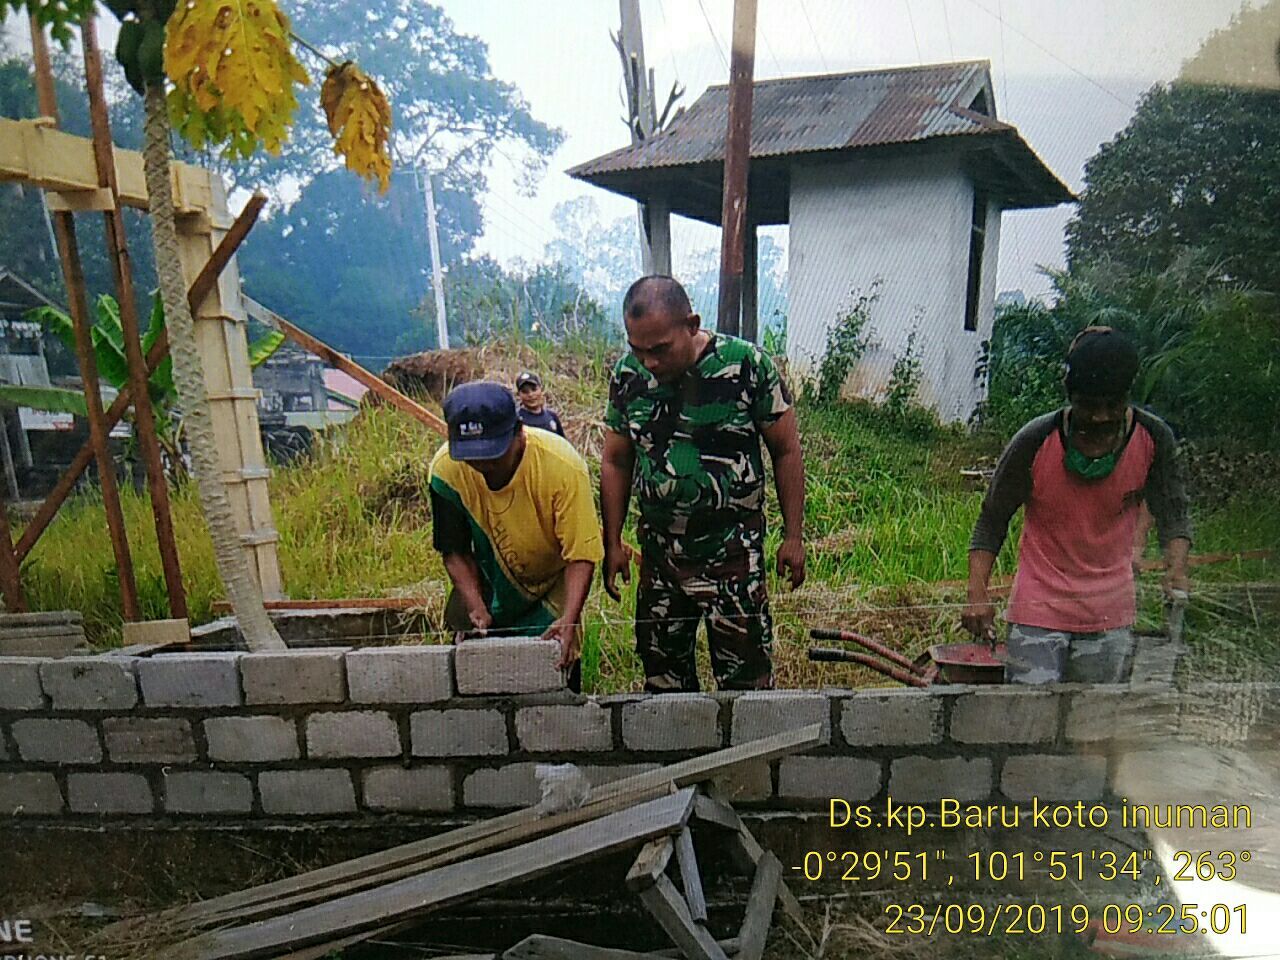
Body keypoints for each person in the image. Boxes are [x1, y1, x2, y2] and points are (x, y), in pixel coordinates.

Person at [600, 275, 806, 692]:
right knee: (664, 682)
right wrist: (612, 542)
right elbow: (616, 460)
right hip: (660, 556)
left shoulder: (746, 365)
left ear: (691, 325)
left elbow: (785, 450)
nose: (649, 363)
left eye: (659, 349)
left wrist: (793, 536)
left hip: (731, 551)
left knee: (745, 681)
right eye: (637, 349)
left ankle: (746, 757)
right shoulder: (628, 377)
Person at [962, 326, 1192, 684]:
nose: (1100, 417)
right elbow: (992, 521)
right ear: (1070, 397)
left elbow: (1174, 512)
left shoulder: (1153, 439)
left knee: (1092, 727)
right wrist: (977, 594)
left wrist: (1176, 569)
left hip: (1109, 617)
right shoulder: (1035, 441)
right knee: (1028, 724)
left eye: (1112, 405)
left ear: (1128, 396)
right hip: (1037, 613)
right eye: (1088, 406)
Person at [429, 382, 602, 690]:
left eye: (493, 455)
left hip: (550, 585)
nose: (483, 466)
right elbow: (454, 550)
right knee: (484, 691)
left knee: (555, 673)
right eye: (472, 457)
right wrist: (475, 606)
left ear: (518, 433)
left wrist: (570, 619)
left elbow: (581, 555)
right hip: (489, 581)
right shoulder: (446, 472)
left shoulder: (562, 467)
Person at [514, 371, 566, 438]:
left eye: (534, 389)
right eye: (525, 392)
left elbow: (563, 444)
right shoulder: (517, 420)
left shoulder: (552, 417)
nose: (531, 395)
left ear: (541, 389)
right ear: (519, 395)